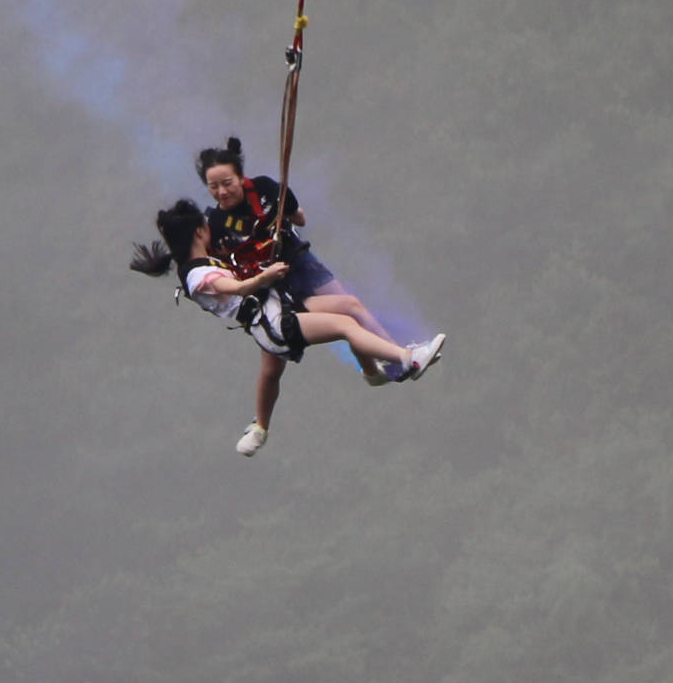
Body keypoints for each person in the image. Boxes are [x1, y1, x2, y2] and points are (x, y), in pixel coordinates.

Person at [130, 197, 441, 454]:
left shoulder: (210, 259)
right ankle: (405, 359)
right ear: (199, 232)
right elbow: (235, 289)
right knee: (345, 326)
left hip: (279, 305)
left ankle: (374, 373)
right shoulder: (196, 275)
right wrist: (263, 277)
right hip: (273, 324)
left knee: (349, 307)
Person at [193, 138, 427, 386]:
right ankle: (393, 361)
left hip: (299, 261)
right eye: (213, 187)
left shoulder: (265, 189)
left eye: (227, 183)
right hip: (275, 284)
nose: (222, 192)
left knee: (352, 307)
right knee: (339, 319)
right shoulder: (215, 223)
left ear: (241, 177)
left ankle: (379, 367)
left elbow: (299, 218)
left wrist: (283, 214)